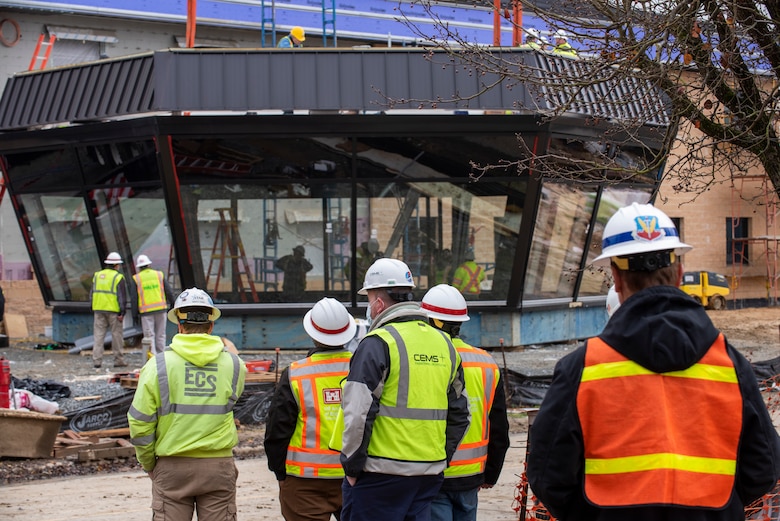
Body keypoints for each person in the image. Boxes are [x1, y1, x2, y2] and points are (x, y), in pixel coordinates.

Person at [526, 202, 780, 521]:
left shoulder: (583, 367)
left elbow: (548, 476)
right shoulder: (729, 364)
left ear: (616, 280)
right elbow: (764, 468)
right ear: (678, 274)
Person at [338, 258, 470, 521]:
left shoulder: (377, 343)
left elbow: (357, 414)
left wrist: (351, 467)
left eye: (369, 300)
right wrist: (440, 458)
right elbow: (461, 413)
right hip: (428, 475)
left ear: (378, 303)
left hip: (381, 473)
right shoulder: (445, 343)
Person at [128, 287, 247, 521]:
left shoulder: (157, 366)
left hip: (172, 467)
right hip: (218, 466)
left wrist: (149, 464)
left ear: (179, 325)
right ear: (211, 325)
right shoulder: (235, 365)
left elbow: (139, 422)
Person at [421, 284, 510, 521]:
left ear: (430, 321)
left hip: (435, 470)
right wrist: (491, 473)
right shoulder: (487, 363)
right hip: (472, 474)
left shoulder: (426, 362)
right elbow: (499, 425)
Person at [264, 297, 356, 521]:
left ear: (313, 333)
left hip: (305, 481)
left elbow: (278, 430)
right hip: (357, 476)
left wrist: (280, 472)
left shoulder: (296, 373)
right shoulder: (365, 366)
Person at [90, 251, 128, 368]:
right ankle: (118, 360)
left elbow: (92, 294)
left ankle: (97, 360)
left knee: (98, 335)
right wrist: (122, 312)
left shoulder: (97, 275)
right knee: (116, 335)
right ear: (116, 265)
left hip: (98, 309)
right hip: (113, 311)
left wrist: (93, 306)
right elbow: (121, 297)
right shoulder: (118, 277)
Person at [131, 254, 175, 357]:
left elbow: (134, 298)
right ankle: (161, 356)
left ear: (139, 267)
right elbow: (168, 291)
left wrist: (134, 315)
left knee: (149, 336)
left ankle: (152, 357)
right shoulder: (159, 275)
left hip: (146, 312)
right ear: (149, 265)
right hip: (161, 309)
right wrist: (173, 304)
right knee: (161, 335)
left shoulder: (136, 278)